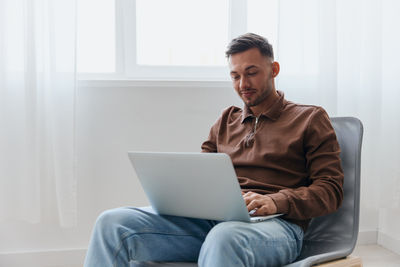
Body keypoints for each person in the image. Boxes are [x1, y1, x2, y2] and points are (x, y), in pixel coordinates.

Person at [84, 33, 343, 267]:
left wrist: (275, 201)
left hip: (278, 227)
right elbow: (201, 177)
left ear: (273, 69)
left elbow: (331, 190)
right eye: (235, 75)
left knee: (224, 237)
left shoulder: (310, 118)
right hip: (212, 222)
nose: (243, 83)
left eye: (251, 72)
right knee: (111, 223)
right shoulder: (226, 120)